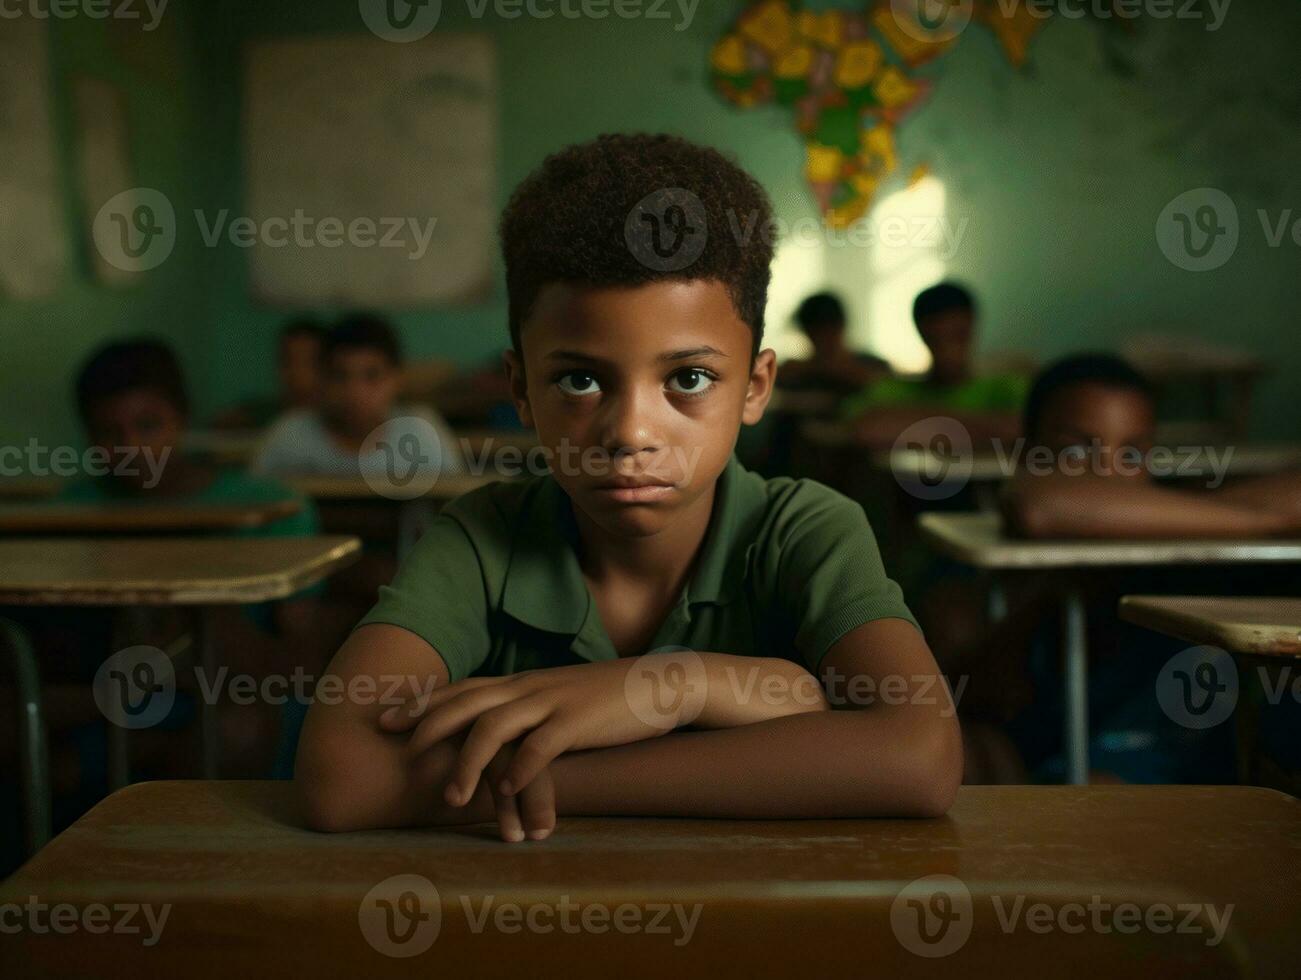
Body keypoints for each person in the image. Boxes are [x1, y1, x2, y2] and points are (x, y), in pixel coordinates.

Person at [295, 133, 962, 841]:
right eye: (579, 380)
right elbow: (343, 776)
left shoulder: (804, 529)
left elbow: (917, 756)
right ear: (521, 388)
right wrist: (785, 705)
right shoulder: (481, 540)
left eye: (688, 379)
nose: (630, 433)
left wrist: (668, 689)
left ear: (755, 385)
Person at [1002, 353, 1301, 537]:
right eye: (1075, 452)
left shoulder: (1180, 517)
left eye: (1131, 454)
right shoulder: (1025, 495)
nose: (1107, 472)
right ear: (1028, 453)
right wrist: (1272, 522)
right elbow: (1041, 505)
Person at [254, 314, 463, 479]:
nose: (355, 392)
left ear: (397, 379)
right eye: (340, 376)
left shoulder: (421, 434)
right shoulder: (288, 438)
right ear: (323, 379)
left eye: (372, 376)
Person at [842, 282, 1027, 449]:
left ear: (971, 328)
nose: (948, 350)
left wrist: (916, 424)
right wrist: (983, 427)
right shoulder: (891, 390)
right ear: (923, 335)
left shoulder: (1006, 388)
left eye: (958, 336)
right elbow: (866, 428)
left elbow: (1021, 428)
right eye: (937, 338)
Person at [212, 318, 327, 430]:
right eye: (288, 361)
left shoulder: (336, 421)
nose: (297, 372)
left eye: (308, 362)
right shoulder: (262, 415)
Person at [777, 292, 889, 397]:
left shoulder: (874, 367)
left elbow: (886, 389)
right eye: (816, 332)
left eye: (828, 331)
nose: (823, 339)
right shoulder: (795, 373)